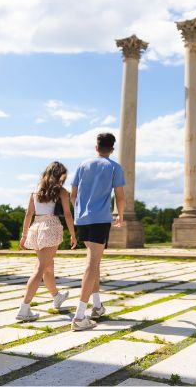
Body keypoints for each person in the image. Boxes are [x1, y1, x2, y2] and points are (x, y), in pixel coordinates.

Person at [70, 132, 125, 331]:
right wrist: (120, 214)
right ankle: (78, 316)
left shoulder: (83, 165)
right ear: (112, 148)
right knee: (92, 264)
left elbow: (73, 194)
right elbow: (120, 196)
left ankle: (97, 306)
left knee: (95, 262)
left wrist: (79, 211)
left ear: (96, 147)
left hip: (82, 219)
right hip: (100, 219)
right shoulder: (114, 167)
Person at [16, 161, 77, 321]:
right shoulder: (62, 191)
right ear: (61, 176)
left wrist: (24, 235)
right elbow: (67, 214)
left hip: (36, 227)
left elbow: (28, 214)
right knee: (41, 268)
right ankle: (24, 308)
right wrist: (73, 234)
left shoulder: (35, 191)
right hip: (50, 226)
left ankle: (56, 296)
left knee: (48, 266)